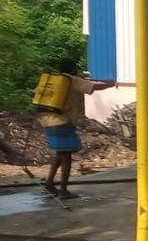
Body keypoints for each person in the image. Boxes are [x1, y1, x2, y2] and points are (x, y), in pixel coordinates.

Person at [36, 60, 110, 199]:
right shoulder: (71, 79)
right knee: (66, 156)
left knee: (60, 153)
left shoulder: (54, 80)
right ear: (73, 69)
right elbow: (93, 87)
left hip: (46, 119)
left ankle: (49, 184)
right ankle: (63, 191)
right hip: (62, 121)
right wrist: (110, 84)